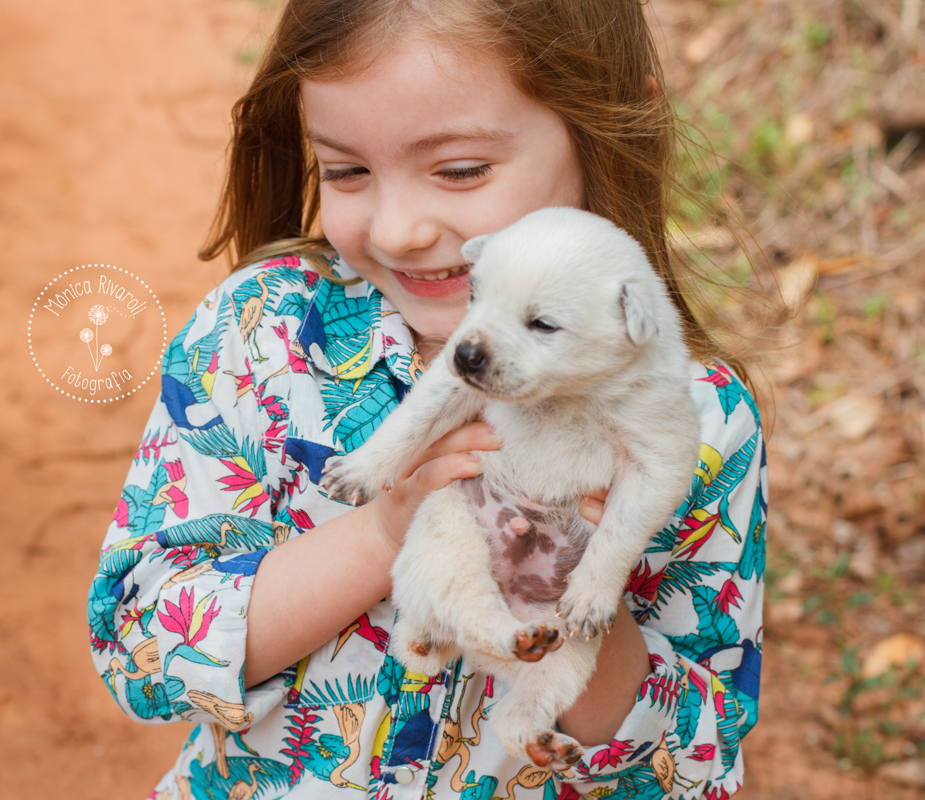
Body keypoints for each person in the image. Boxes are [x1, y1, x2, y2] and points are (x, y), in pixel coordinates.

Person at [87, 0, 766, 797]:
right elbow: (142, 651)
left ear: (620, 126)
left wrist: (570, 575)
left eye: (460, 169)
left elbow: (694, 765)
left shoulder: (702, 422)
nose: (401, 228)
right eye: (346, 171)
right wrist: (385, 530)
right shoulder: (259, 337)